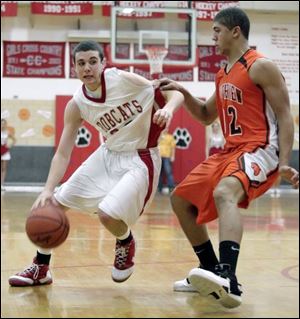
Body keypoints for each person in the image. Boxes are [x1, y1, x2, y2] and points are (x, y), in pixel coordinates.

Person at [8, 40, 184, 286]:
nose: (87, 67)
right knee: (53, 206)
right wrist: (48, 189)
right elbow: (62, 153)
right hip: (107, 154)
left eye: (93, 61)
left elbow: (171, 90)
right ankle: (41, 268)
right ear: (75, 69)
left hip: (141, 157)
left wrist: (170, 109)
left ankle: (125, 241)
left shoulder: (121, 79)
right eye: (81, 63)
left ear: (103, 64)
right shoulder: (77, 104)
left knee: (107, 215)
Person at [158, 7, 299, 308]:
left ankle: (229, 279)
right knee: (180, 199)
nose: (213, 38)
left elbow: (286, 116)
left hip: (260, 149)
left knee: (225, 192)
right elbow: (207, 116)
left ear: (235, 31)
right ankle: (209, 270)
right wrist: (182, 91)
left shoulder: (260, 66)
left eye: (217, 31)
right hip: (230, 151)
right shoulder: (223, 73)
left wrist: (285, 161)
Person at [158, 128, 176, 194]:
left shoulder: (170, 137)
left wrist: (173, 156)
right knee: (159, 173)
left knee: (168, 172)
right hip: (159, 157)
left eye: (166, 129)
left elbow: (173, 147)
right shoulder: (158, 136)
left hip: (167, 156)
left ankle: (171, 187)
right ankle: (159, 187)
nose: (165, 130)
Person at [1, 118, 16, 191]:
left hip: (4, 151)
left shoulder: (7, 132)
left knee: (4, 168)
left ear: (5, 124)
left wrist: (9, 146)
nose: (2, 125)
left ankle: (2, 184)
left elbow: (14, 139)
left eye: (4, 123)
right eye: (1, 123)